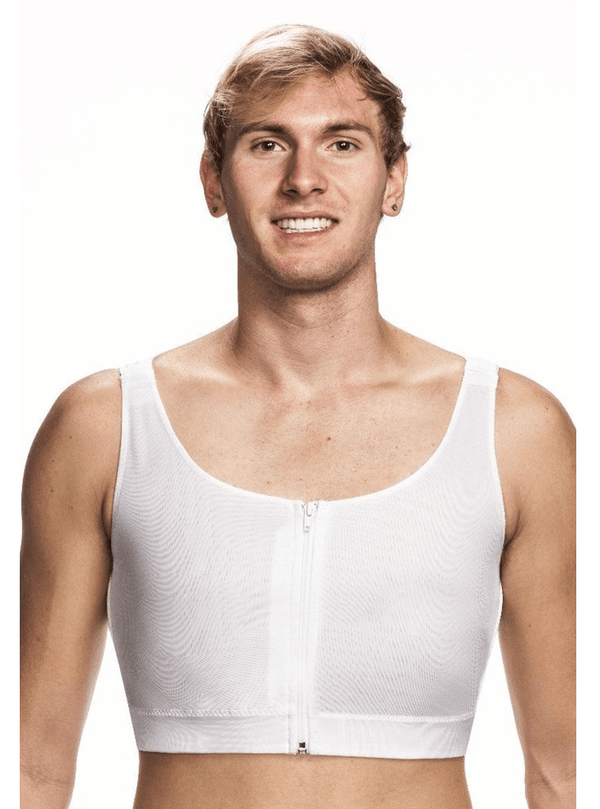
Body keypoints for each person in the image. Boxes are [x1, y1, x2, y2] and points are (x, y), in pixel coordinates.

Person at [20, 23, 575, 809]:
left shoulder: (515, 432)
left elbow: (563, 774)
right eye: (267, 145)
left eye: (342, 144)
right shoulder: (102, 430)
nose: (304, 179)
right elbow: (32, 771)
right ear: (214, 181)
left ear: (394, 180)